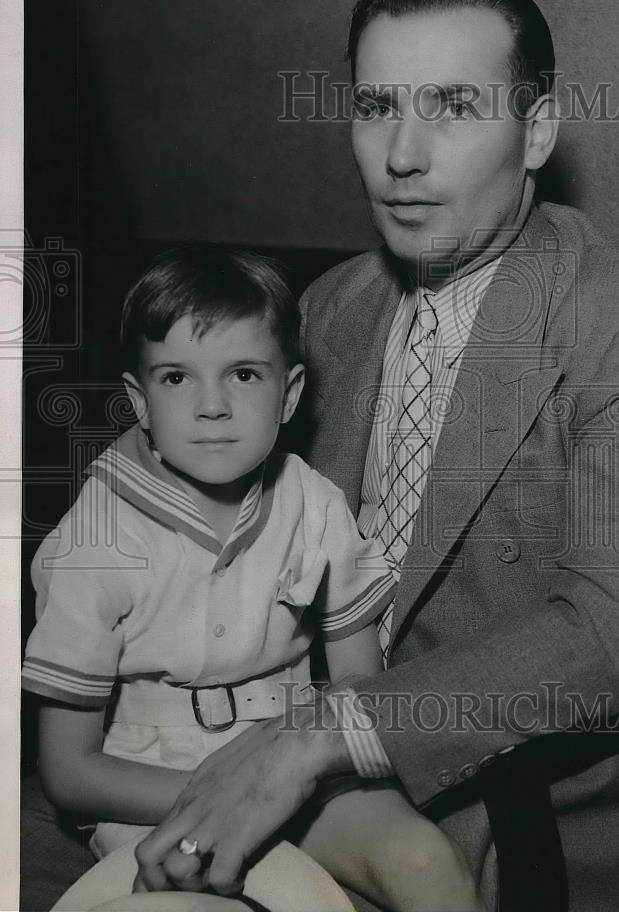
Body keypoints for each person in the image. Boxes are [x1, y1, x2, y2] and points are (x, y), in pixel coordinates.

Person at [132, 0, 619, 911]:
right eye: (377, 107)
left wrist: (318, 735)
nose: (401, 155)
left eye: (452, 106)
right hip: (301, 762)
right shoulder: (329, 310)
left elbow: (616, 630)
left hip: (519, 803)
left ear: (535, 131)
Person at [21, 244, 484, 912]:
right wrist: (226, 796)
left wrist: (289, 777)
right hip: (155, 791)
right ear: (140, 400)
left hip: (299, 768)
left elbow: (358, 686)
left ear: (289, 392)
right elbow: (68, 775)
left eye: (242, 374)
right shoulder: (94, 543)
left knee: (425, 860)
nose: (212, 406)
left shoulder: (314, 503)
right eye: (177, 378)